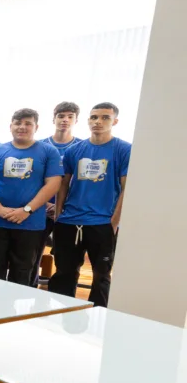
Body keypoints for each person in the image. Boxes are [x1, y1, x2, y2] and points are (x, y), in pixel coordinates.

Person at [48, 103, 130, 307]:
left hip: (102, 223)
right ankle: (59, 315)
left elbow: (126, 188)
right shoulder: (74, 150)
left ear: (115, 121)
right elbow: (63, 184)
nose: (98, 122)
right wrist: (59, 215)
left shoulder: (124, 149)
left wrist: (113, 224)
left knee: (101, 277)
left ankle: (99, 316)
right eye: (94, 117)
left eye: (105, 118)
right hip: (69, 221)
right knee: (64, 274)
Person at [0, 108, 63, 285]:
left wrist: (26, 210)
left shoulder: (49, 152)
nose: (22, 127)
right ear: (11, 126)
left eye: (28, 123)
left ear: (36, 127)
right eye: (18, 123)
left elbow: (53, 184)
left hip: (30, 223)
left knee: (23, 272)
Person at [34, 101, 83, 283]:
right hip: (41, 208)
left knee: (67, 259)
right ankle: (31, 288)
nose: (65, 120)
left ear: (76, 121)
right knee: (33, 254)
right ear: (53, 119)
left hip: (69, 211)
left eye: (70, 117)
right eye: (61, 116)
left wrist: (62, 207)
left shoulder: (82, 147)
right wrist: (46, 203)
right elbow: (34, 179)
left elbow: (81, 183)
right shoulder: (39, 146)